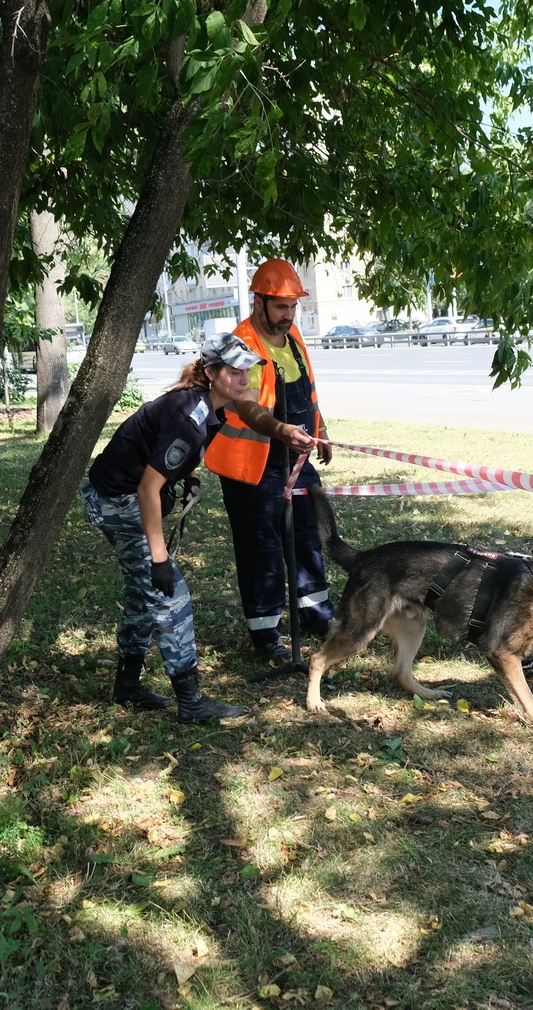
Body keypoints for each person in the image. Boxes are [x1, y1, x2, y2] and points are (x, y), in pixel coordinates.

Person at [81, 333, 315, 723]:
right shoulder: (190, 415)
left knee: (144, 596)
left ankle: (127, 685)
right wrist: (159, 557)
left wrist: (186, 474)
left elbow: (164, 458)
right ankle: (190, 701)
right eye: (236, 370)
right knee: (170, 596)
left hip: (121, 494)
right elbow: (148, 488)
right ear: (212, 373)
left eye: (247, 370)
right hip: (116, 501)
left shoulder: (209, 407)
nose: (244, 378)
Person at [205, 258, 336, 666]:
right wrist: (280, 431)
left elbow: (308, 393)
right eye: (280, 306)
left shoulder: (293, 336)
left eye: (293, 306)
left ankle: (316, 614)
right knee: (261, 545)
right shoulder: (239, 344)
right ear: (258, 302)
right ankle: (266, 636)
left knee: (307, 533)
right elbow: (245, 407)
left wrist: (321, 428)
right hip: (251, 463)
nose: (288, 315)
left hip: (294, 455)